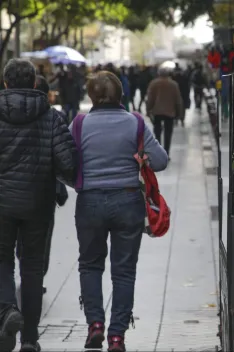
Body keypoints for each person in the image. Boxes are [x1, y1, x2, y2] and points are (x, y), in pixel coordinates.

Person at [71, 71, 168, 352]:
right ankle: (117, 337)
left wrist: (79, 180)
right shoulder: (135, 123)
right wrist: (142, 159)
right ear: (121, 95)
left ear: (91, 96)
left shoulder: (79, 124)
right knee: (124, 272)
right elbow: (160, 160)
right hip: (128, 202)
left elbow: (65, 163)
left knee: (90, 265)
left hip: (89, 202)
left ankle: (95, 325)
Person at [0, 59, 77, 352]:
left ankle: (7, 310)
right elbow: (68, 164)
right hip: (37, 203)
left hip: (2, 203)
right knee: (32, 268)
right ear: (34, 83)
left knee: (2, 260)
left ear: (6, 83)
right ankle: (30, 339)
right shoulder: (51, 117)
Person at [15, 75, 70, 295]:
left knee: (15, 242)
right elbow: (65, 160)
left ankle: (17, 291)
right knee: (40, 242)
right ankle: (34, 282)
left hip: (10, 193)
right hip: (42, 193)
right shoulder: (55, 118)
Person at [146, 66, 184, 158]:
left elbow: (150, 99)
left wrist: (148, 110)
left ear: (158, 73)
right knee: (168, 133)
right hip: (170, 112)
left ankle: (159, 153)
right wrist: (180, 113)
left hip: (157, 112)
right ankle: (166, 153)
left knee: (157, 133)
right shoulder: (173, 84)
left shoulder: (154, 83)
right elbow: (178, 100)